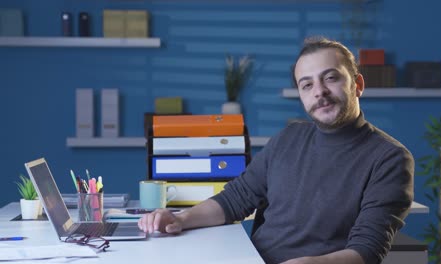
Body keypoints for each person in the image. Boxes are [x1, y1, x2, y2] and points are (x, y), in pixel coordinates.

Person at [138, 36, 414, 264]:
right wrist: (179, 219)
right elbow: (236, 199)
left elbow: (367, 250)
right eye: (307, 85)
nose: (319, 91)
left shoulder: (389, 158)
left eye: (331, 78)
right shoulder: (288, 137)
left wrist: (310, 263)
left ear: (358, 85)